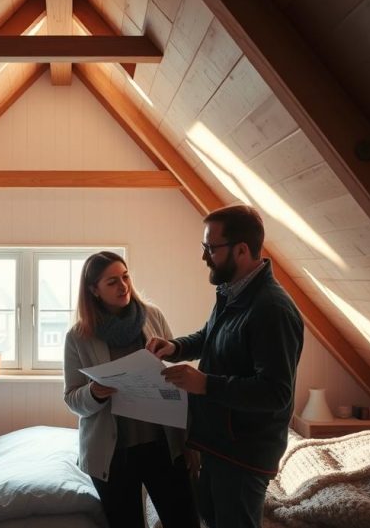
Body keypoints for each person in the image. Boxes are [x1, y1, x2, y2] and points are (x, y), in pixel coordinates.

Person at [148, 205, 304, 528]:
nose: (204, 256)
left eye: (210, 248)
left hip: (244, 455)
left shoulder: (271, 309)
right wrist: (175, 347)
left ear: (242, 250)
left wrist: (205, 384)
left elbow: (275, 393)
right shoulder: (232, 291)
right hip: (218, 443)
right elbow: (210, 336)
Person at [63, 251, 199, 528]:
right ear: (94, 290)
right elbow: (71, 398)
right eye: (112, 282)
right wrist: (94, 392)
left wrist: (190, 441)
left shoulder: (152, 316)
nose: (123, 286)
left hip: (163, 444)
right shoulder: (78, 336)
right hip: (112, 454)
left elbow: (172, 374)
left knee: (184, 520)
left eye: (125, 277)